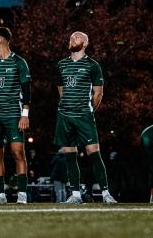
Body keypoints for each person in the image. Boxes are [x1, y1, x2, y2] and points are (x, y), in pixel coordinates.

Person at [54, 31, 117, 204]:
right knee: (69, 154)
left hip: (84, 116)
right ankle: (75, 194)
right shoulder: (61, 64)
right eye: (71, 37)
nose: (72, 39)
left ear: (85, 43)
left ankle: (105, 194)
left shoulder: (92, 65)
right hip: (65, 117)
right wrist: (67, 106)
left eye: (77, 37)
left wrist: (88, 111)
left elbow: (98, 93)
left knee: (93, 152)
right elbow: (61, 91)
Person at [0, 27, 33, 204]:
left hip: (13, 116)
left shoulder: (19, 62)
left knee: (18, 153)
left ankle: (22, 195)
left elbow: (27, 91)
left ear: (0, 40)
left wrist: (25, 115)